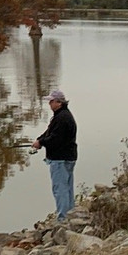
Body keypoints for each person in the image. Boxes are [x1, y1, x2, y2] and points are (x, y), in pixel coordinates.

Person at [31, 89, 77, 221]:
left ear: (59, 102)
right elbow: (49, 133)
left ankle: (63, 218)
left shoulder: (61, 118)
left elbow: (55, 139)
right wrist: (40, 140)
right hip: (68, 157)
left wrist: (41, 142)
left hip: (60, 159)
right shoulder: (62, 115)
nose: (49, 104)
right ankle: (70, 214)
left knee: (60, 188)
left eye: (51, 101)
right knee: (67, 187)